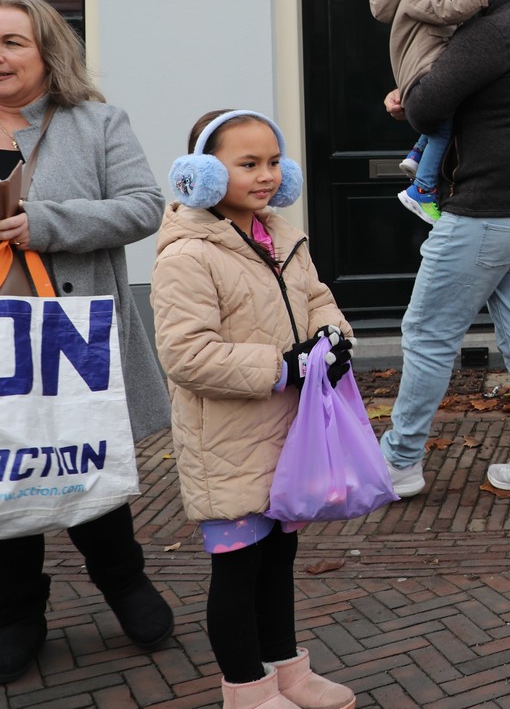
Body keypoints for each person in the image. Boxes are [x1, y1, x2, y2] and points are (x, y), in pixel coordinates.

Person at [152, 108, 357, 709]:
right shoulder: (188, 255)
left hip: (286, 435)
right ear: (202, 175)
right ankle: (247, 688)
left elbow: (317, 299)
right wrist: (283, 367)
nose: (266, 175)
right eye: (248, 164)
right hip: (227, 441)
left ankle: (288, 671)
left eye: (273, 162)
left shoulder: (282, 237)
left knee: (278, 559)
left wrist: (334, 339)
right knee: (238, 568)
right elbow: (187, 354)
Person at [0, 0, 174, 685]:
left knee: (83, 460)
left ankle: (125, 583)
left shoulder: (98, 123)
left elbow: (144, 207)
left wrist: (45, 223)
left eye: (12, 42)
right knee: (4, 478)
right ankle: (16, 614)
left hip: (74, 338)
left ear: (48, 52)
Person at [378, 0, 510, 504]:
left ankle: (399, 463)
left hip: (487, 212)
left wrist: (409, 97)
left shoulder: (493, 29)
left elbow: (427, 107)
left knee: (428, 335)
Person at [369, 0, 488, 224]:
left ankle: (418, 153)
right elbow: (449, 10)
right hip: (427, 73)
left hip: (429, 70)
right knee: (444, 126)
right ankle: (421, 189)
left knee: (444, 121)